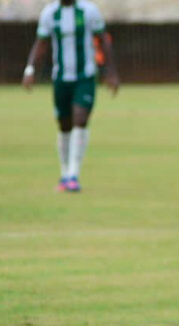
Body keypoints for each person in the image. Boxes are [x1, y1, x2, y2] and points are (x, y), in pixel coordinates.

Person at [23, 0, 119, 193]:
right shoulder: (50, 13)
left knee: (80, 119)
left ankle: (74, 174)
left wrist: (111, 72)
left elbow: (103, 41)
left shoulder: (89, 11)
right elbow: (41, 43)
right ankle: (65, 172)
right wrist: (30, 69)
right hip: (60, 78)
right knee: (64, 125)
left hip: (85, 77)